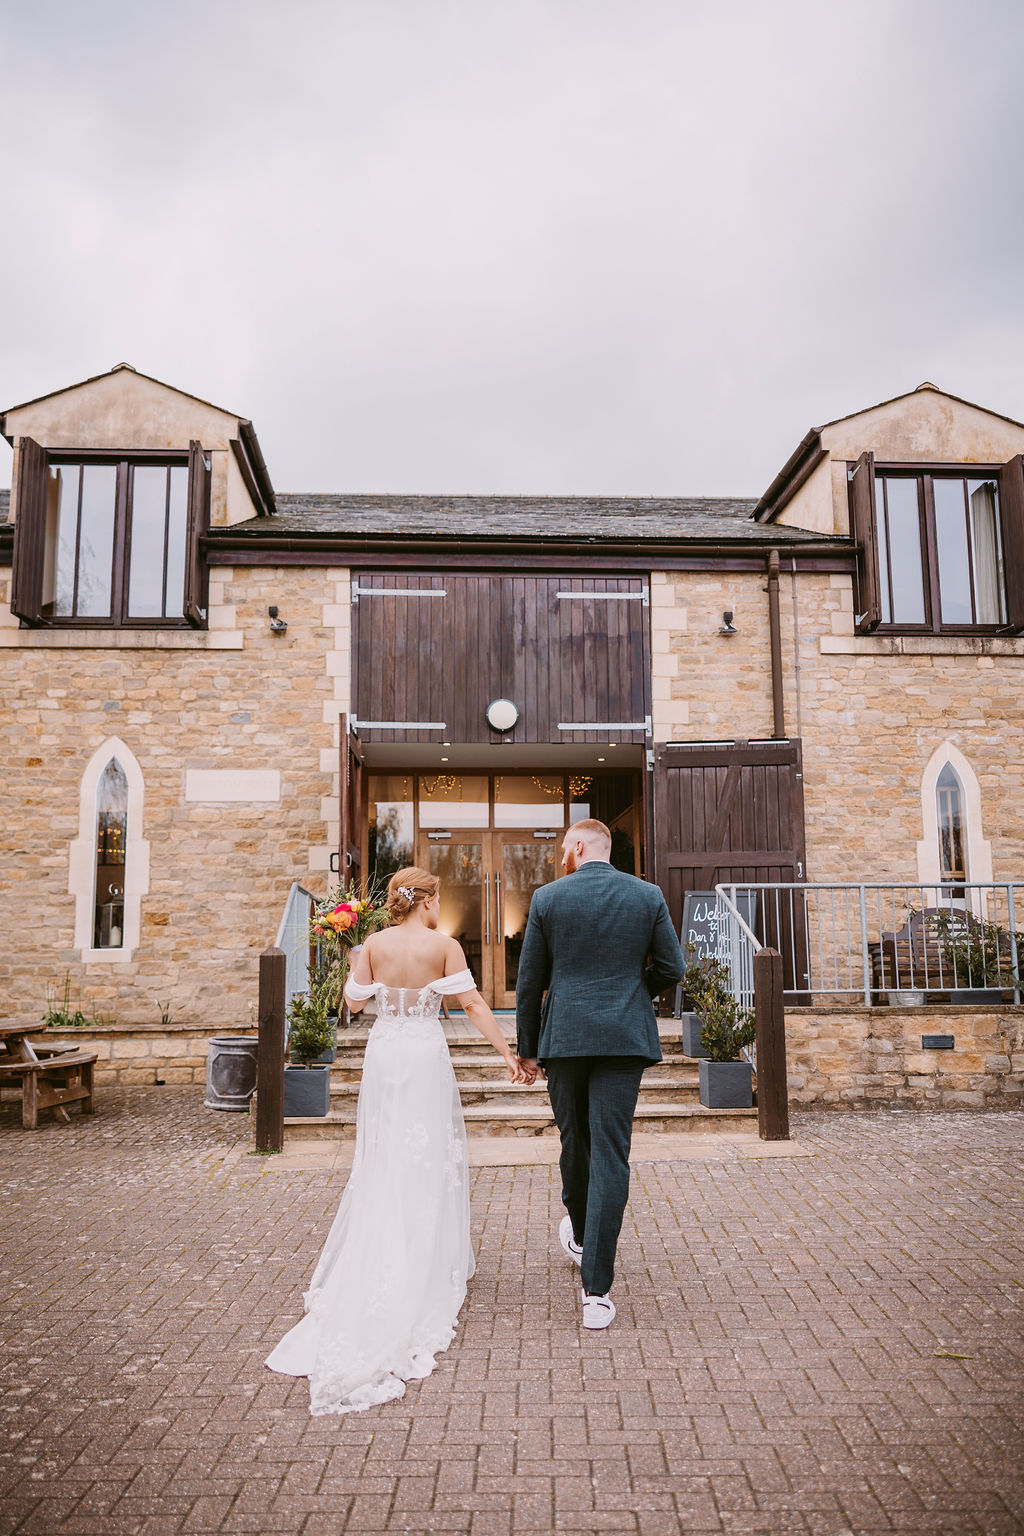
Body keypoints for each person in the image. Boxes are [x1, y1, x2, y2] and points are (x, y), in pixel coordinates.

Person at [266, 867, 524, 1414]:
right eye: (437, 898)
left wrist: (356, 960)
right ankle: (423, 1257)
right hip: (425, 1055)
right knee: (427, 1153)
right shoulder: (445, 946)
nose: (438, 908)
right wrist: (508, 1055)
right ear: (425, 899)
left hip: (387, 1055)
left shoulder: (373, 944)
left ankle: (387, 1245)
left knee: (385, 1155)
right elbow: (475, 1005)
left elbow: (353, 1005)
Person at [516, 819, 685, 1330]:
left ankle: (586, 1240)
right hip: (622, 1039)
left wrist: (527, 1049)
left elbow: (529, 983)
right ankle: (597, 1291)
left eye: (565, 849)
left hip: (565, 1039)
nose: (562, 857)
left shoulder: (548, 899)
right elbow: (673, 969)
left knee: (575, 1142)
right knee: (611, 1151)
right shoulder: (647, 895)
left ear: (582, 845)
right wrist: (636, 990)